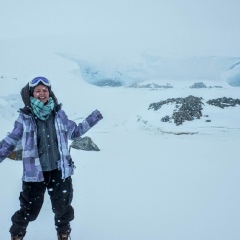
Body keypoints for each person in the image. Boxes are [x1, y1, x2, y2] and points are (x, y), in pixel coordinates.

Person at [0, 77, 103, 240]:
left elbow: (74, 132)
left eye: (45, 90)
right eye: (38, 90)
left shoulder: (59, 115)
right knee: (29, 211)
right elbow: (11, 140)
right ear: (31, 94)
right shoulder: (25, 118)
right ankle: (16, 235)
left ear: (50, 93)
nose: (42, 93)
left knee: (63, 208)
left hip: (59, 171)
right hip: (34, 174)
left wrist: (93, 118)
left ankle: (63, 234)